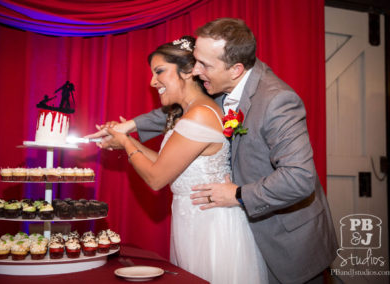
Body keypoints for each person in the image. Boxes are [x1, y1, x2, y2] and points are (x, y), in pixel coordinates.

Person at [90, 18, 338, 284]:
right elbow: (178, 109)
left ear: (235, 69)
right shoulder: (217, 87)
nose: (195, 71)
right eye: (196, 61)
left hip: (287, 240)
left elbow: (299, 178)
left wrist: (239, 194)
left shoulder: (276, 100)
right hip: (233, 227)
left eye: (204, 65)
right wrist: (129, 127)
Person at [91, 36, 268, 284]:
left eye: (160, 71)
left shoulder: (199, 116)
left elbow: (156, 178)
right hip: (194, 220)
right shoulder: (196, 111)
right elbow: (167, 163)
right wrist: (127, 140)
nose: (153, 82)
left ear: (188, 71)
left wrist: (127, 142)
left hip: (211, 227)